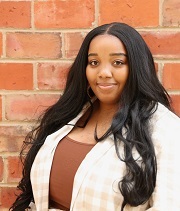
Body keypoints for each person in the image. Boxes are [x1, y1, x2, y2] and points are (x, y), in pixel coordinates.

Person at [10, 22, 180, 211]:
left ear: (137, 67)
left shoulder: (166, 130)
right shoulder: (69, 116)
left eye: (118, 63)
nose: (103, 73)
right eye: (94, 62)